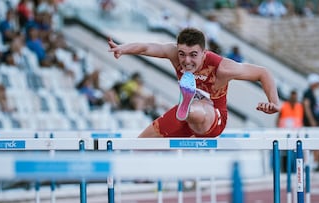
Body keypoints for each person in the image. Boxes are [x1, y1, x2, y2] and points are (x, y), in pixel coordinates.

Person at [108, 27, 280, 138]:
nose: (186, 60)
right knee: (140, 144)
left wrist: (274, 103)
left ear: (204, 53)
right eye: (182, 54)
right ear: (177, 49)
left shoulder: (223, 67)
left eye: (193, 55)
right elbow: (147, 47)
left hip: (213, 118)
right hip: (182, 117)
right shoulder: (173, 52)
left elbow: (263, 73)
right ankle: (187, 105)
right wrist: (123, 48)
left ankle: (188, 104)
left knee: (201, 107)